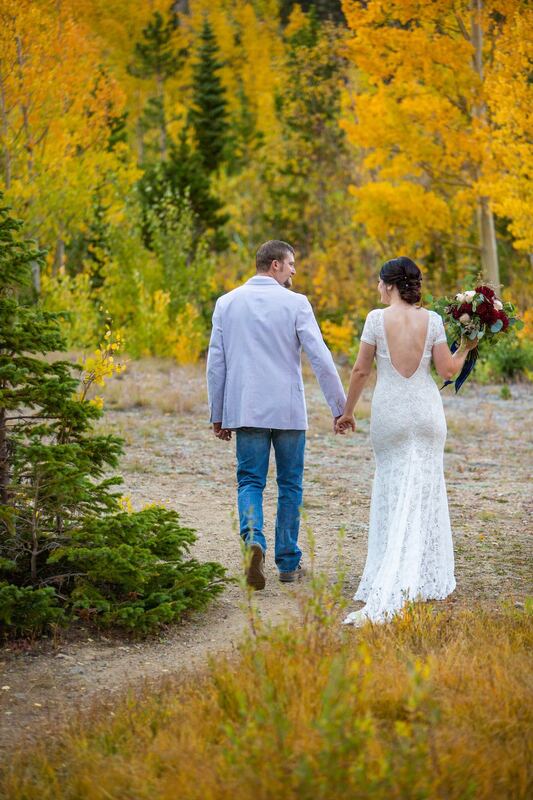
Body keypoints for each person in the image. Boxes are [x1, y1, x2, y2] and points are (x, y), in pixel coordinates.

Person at [336, 257, 478, 624]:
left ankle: (393, 568)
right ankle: (422, 573)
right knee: (425, 489)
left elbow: (360, 370)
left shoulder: (375, 320)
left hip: (391, 413)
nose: (377, 288)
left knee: (392, 487)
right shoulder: (431, 320)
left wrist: (347, 412)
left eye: (379, 282)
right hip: (427, 413)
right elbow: (447, 370)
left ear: (389, 285)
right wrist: (466, 346)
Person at [207, 240, 349, 590]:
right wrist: (340, 408)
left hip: (246, 408)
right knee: (290, 484)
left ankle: (254, 539)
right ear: (275, 265)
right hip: (287, 411)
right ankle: (288, 562)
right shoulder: (296, 303)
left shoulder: (227, 303)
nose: (294, 270)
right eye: (291, 264)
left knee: (250, 481)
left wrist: (218, 413)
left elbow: (216, 363)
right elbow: (320, 356)